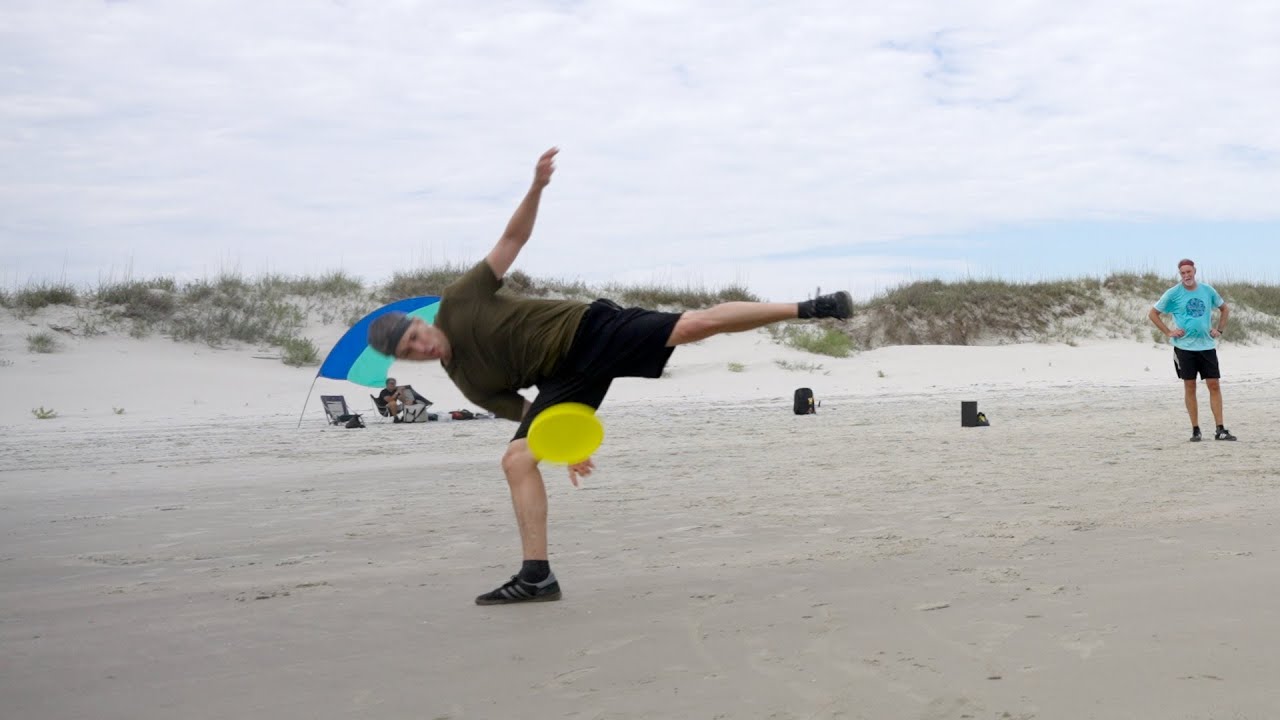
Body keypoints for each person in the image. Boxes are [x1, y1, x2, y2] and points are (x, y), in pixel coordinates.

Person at [368, 148, 854, 605]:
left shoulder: (460, 299)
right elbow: (532, 416)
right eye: (409, 351)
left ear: (421, 322)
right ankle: (537, 576)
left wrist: (536, 186)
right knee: (517, 459)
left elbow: (513, 240)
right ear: (407, 360)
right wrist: (569, 448)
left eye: (415, 334)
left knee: (692, 325)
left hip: (589, 329)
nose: (420, 346)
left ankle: (811, 308)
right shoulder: (467, 382)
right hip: (565, 377)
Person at [1148, 258, 1237, 443]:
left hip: (1206, 346)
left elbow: (1224, 309)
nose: (1186, 276)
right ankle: (1195, 429)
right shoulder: (1173, 293)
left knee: (1214, 385)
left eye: (1189, 272)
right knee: (1190, 386)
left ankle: (1220, 429)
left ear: (1194, 271)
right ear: (1180, 274)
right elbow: (1153, 313)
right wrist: (1168, 332)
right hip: (1184, 348)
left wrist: (1218, 330)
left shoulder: (1207, 290)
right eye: (1183, 273)